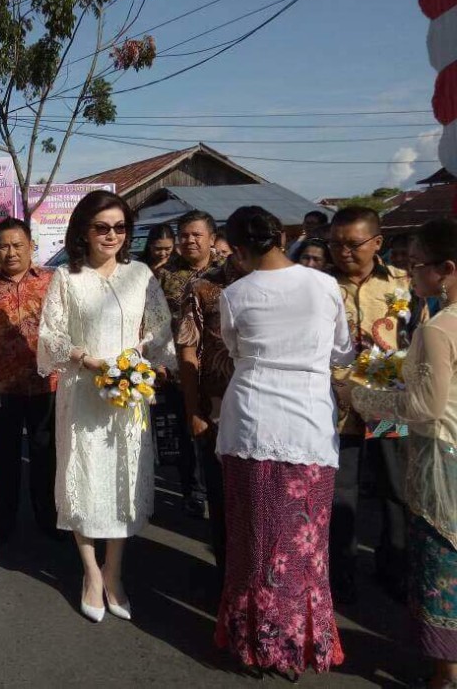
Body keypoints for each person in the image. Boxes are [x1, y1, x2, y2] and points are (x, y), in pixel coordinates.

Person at [214, 206, 352, 678]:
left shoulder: (235, 293)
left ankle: (255, 639)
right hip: (309, 423)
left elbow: (235, 351)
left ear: (237, 247)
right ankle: (297, 642)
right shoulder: (324, 285)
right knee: (305, 543)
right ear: (280, 235)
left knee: (253, 540)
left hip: (253, 419)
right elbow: (342, 350)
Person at [38, 190, 175, 623]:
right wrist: (86, 358)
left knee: (123, 479)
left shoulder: (142, 276)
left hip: (128, 395)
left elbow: (160, 328)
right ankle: (90, 574)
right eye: (102, 227)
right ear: (83, 230)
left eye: (120, 227)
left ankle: (114, 572)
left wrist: (141, 362)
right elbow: (50, 336)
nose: (111, 235)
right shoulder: (66, 278)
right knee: (83, 475)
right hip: (82, 391)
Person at [349, 218, 457, 689]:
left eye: (416, 265)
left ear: (447, 269)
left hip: (441, 455)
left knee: (442, 560)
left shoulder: (439, 328)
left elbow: (422, 407)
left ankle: (445, 671)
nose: (408, 274)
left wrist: (360, 398)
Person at [328, 206, 420, 603]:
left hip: (386, 405)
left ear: (377, 243)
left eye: (353, 244)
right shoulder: (320, 286)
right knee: (341, 489)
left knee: (394, 486)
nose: (343, 252)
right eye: (335, 244)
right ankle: (340, 570)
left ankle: (394, 566)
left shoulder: (403, 284)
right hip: (339, 405)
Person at [0, 217, 59, 542]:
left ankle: (50, 518)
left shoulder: (54, 281)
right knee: (4, 458)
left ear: (31, 247)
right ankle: (3, 522)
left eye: (18, 245)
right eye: (4, 246)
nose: (11, 252)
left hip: (47, 384)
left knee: (46, 455)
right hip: (2, 388)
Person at [175, 247, 246, 582]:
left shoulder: (306, 286)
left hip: (368, 417)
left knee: (386, 480)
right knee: (223, 499)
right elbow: (187, 350)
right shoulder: (205, 288)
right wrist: (193, 409)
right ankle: (228, 583)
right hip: (219, 411)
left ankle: (354, 572)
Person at [158, 210, 221, 519]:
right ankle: (193, 491)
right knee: (185, 434)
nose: (190, 240)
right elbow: (152, 323)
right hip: (175, 369)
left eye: (197, 234)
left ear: (212, 239)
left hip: (218, 372)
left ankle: (219, 490)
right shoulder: (164, 274)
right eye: (184, 235)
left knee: (218, 434)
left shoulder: (228, 274)